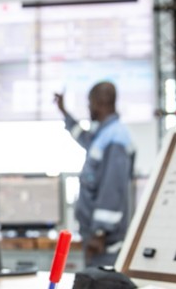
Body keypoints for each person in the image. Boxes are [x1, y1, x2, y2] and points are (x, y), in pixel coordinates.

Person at [54, 82, 135, 267]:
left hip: (106, 240)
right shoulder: (104, 133)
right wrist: (64, 112)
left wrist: (100, 232)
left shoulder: (116, 138)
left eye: (89, 102)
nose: (88, 107)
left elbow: (112, 189)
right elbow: (84, 139)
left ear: (101, 101)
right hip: (96, 235)